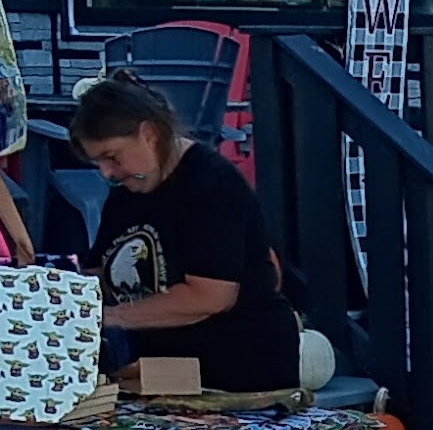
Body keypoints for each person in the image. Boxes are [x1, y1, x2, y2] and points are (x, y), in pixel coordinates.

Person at [71, 70, 300, 392]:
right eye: (99, 162)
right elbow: (98, 271)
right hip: (161, 373)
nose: (107, 172)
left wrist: (106, 317)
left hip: (238, 373)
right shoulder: (127, 189)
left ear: (149, 134)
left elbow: (209, 296)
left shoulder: (212, 184)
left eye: (111, 156)